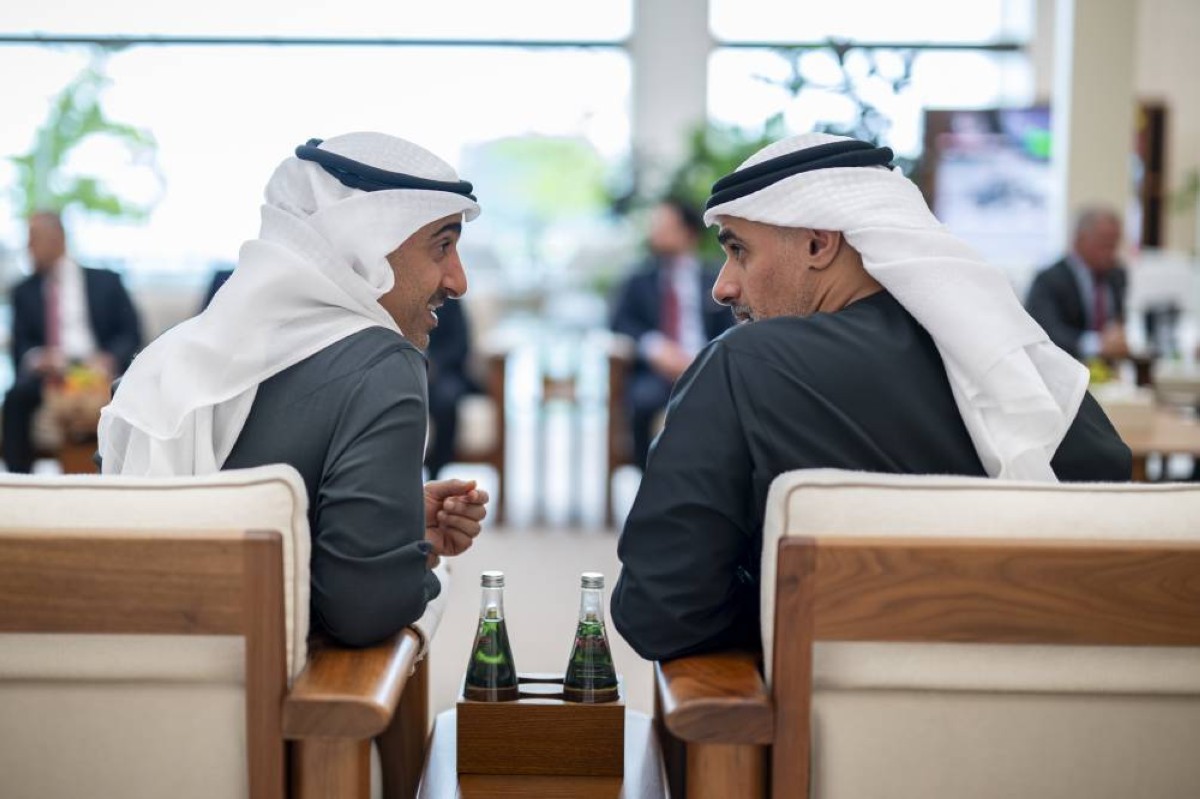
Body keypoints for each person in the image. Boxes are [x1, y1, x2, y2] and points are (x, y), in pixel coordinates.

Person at [611, 134, 1132, 662]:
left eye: (738, 250)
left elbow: (657, 611)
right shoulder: (1004, 362)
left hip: (814, 729)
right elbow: (1107, 498)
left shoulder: (742, 366)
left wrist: (782, 595)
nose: (722, 287)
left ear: (818, 244)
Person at [98, 133, 490, 647]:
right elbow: (364, 612)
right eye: (442, 244)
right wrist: (416, 573)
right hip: (268, 714)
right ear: (364, 245)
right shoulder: (384, 366)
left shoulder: (165, 361)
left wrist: (392, 532)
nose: (458, 282)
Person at [3, 211, 141, 473]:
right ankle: (19, 485)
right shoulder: (23, 291)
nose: (28, 247)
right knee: (15, 397)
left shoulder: (107, 282)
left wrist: (108, 358)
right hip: (50, 377)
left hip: (101, 370)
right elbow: (20, 348)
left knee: (125, 389)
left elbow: (131, 334)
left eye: (34, 239)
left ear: (58, 239)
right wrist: (37, 357)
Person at [610, 199, 734, 468]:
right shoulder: (638, 279)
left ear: (688, 232)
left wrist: (706, 357)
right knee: (642, 402)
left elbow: (733, 324)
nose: (654, 231)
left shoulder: (717, 278)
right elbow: (620, 322)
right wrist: (655, 348)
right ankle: (647, 488)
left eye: (663, 225)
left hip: (707, 367)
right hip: (656, 374)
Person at [1026, 206, 1129, 362]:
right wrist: (1096, 344)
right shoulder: (1048, 280)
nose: (1111, 252)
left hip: (1108, 374)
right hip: (1063, 369)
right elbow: (1045, 333)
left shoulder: (1117, 275)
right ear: (1080, 240)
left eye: (1115, 244)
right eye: (1105, 243)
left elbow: (1117, 321)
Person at [424, 297, 481, 479]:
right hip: (407, 369)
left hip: (445, 374)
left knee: (446, 401)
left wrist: (435, 364)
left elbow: (460, 344)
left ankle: (436, 472)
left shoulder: (450, 300)